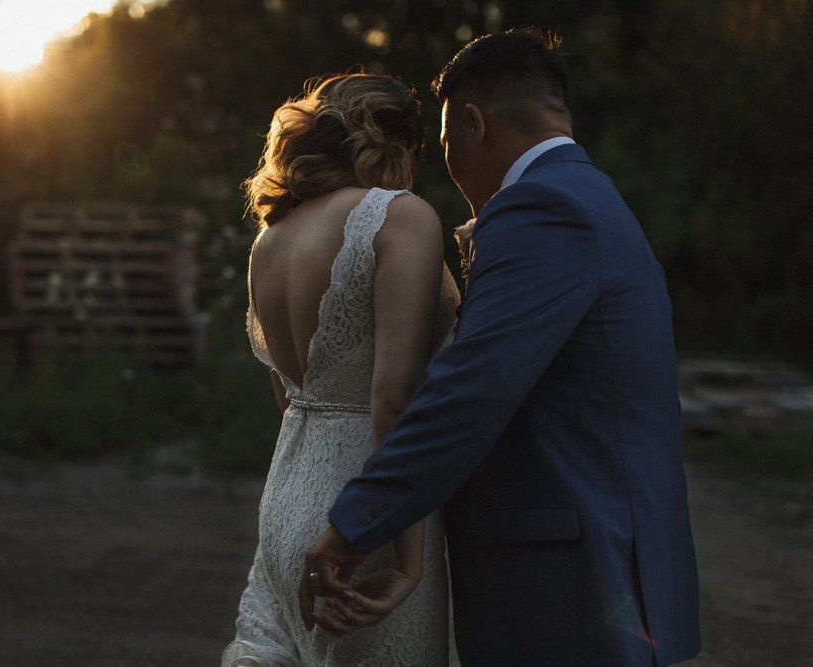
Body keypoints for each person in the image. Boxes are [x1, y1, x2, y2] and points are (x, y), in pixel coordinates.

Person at [301, 28, 702, 666]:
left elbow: (468, 392)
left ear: (472, 124)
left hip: (572, 585)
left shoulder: (543, 209)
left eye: (443, 143)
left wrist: (356, 524)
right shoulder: (593, 198)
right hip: (605, 570)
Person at [221, 73, 460, 666]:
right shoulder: (399, 218)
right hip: (365, 510)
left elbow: (292, 397)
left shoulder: (270, 241)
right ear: (402, 146)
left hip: (286, 497)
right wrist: (406, 558)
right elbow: (392, 400)